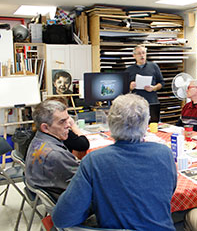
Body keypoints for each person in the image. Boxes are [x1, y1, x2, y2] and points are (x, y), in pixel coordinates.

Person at [52, 94, 177, 230]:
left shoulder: (93, 161)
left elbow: (62, 218)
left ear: (110, 123)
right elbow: (168, 192)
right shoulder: (165, 153)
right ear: (146, 123)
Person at [25, 100, 79, 200]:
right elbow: (85, 182)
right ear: (45, 127)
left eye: (68, 120)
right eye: (62, 122)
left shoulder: (37, 140)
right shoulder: (56, 154)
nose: (68, 125)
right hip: (69, 203)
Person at [125, 45, 165, 123]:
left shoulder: (154, 66)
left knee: (153, 125)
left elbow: (162, 83)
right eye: (139, 53)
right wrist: (130, 87)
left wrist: (154, 88)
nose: (142, 55)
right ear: (134, 56)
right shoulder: (129, 70)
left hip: (152, 102)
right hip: (136, 104)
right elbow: (124, 88)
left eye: (143, 53)